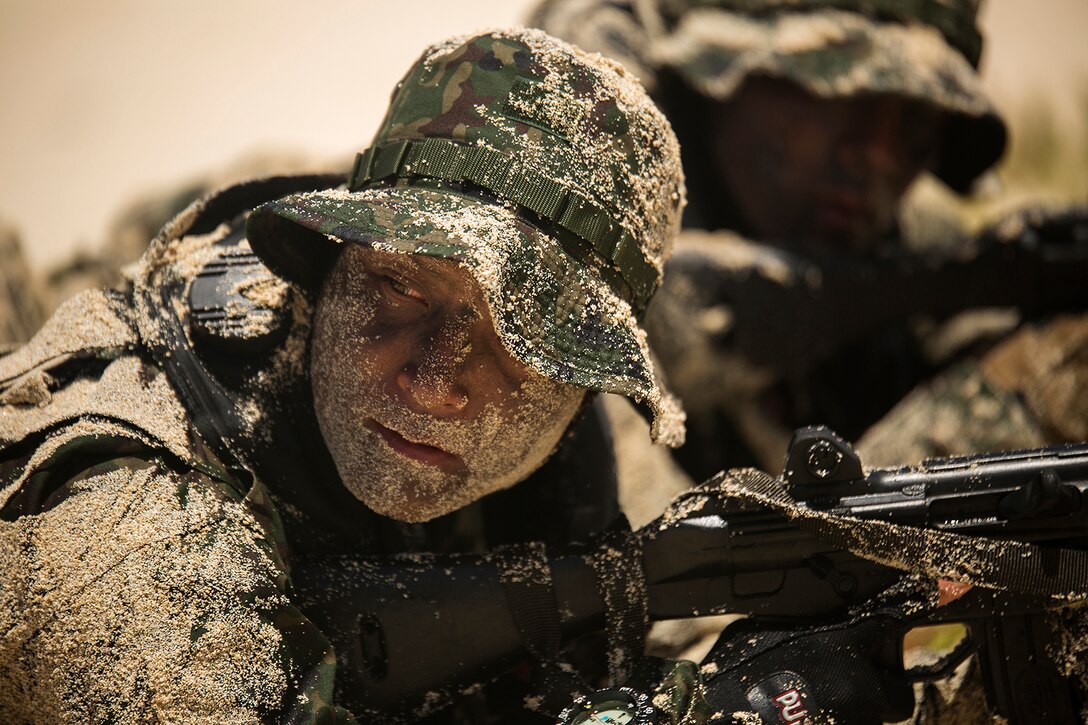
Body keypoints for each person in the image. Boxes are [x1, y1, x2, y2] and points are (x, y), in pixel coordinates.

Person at [531, 0, 1015, 479]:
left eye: (918, 124)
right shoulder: (596, 71)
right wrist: (924, 287)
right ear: (727, 70)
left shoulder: (909, 235)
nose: (880, 155)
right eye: (844, 87)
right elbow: (609, 310)